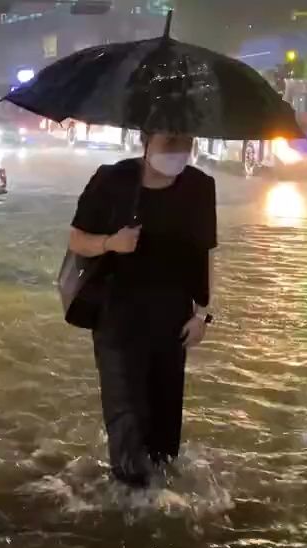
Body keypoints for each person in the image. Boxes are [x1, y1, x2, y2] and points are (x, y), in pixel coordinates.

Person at [68, 133, 217, 488]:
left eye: (186, 143)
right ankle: (129, 503)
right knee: (127, 418)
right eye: (169, 143)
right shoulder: (112, 180)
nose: (178, 153)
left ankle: (161, 498)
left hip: (172, 319)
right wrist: (111, 243)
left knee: (165, 427)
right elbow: (76, 239)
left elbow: (205, 254)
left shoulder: (198, 186)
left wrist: (203, 314)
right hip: (118, 316)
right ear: (145, 141)